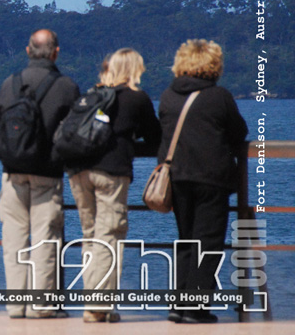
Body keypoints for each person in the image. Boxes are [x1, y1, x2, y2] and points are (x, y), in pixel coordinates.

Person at [63, 48, 161, 323]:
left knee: (90, 234)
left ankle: (96, 303)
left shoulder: (91, 95)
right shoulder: (136, 98)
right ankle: (98, 306)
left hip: (78, 170)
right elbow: (154, 137)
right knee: (110, 235)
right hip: (111, 172)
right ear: (134, 70)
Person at [158, 39, 247, 324]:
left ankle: (178, 304)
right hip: (211, 178)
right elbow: (239, 131)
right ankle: (196, 308)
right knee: (207, 242)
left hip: (178, 177)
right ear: (213, 65)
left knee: (186, 240)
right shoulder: (219, 96)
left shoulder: (168, 96)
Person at [0, 29, 80, 319]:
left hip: (12, 172)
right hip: (47, 172)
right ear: (56, 52)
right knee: (45, 240)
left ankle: (16, 305)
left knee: (14, 239)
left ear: (28, 51)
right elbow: (73, 133)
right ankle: (40, 306)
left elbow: (0, 123)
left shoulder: (9, 83)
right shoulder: (67, 87)